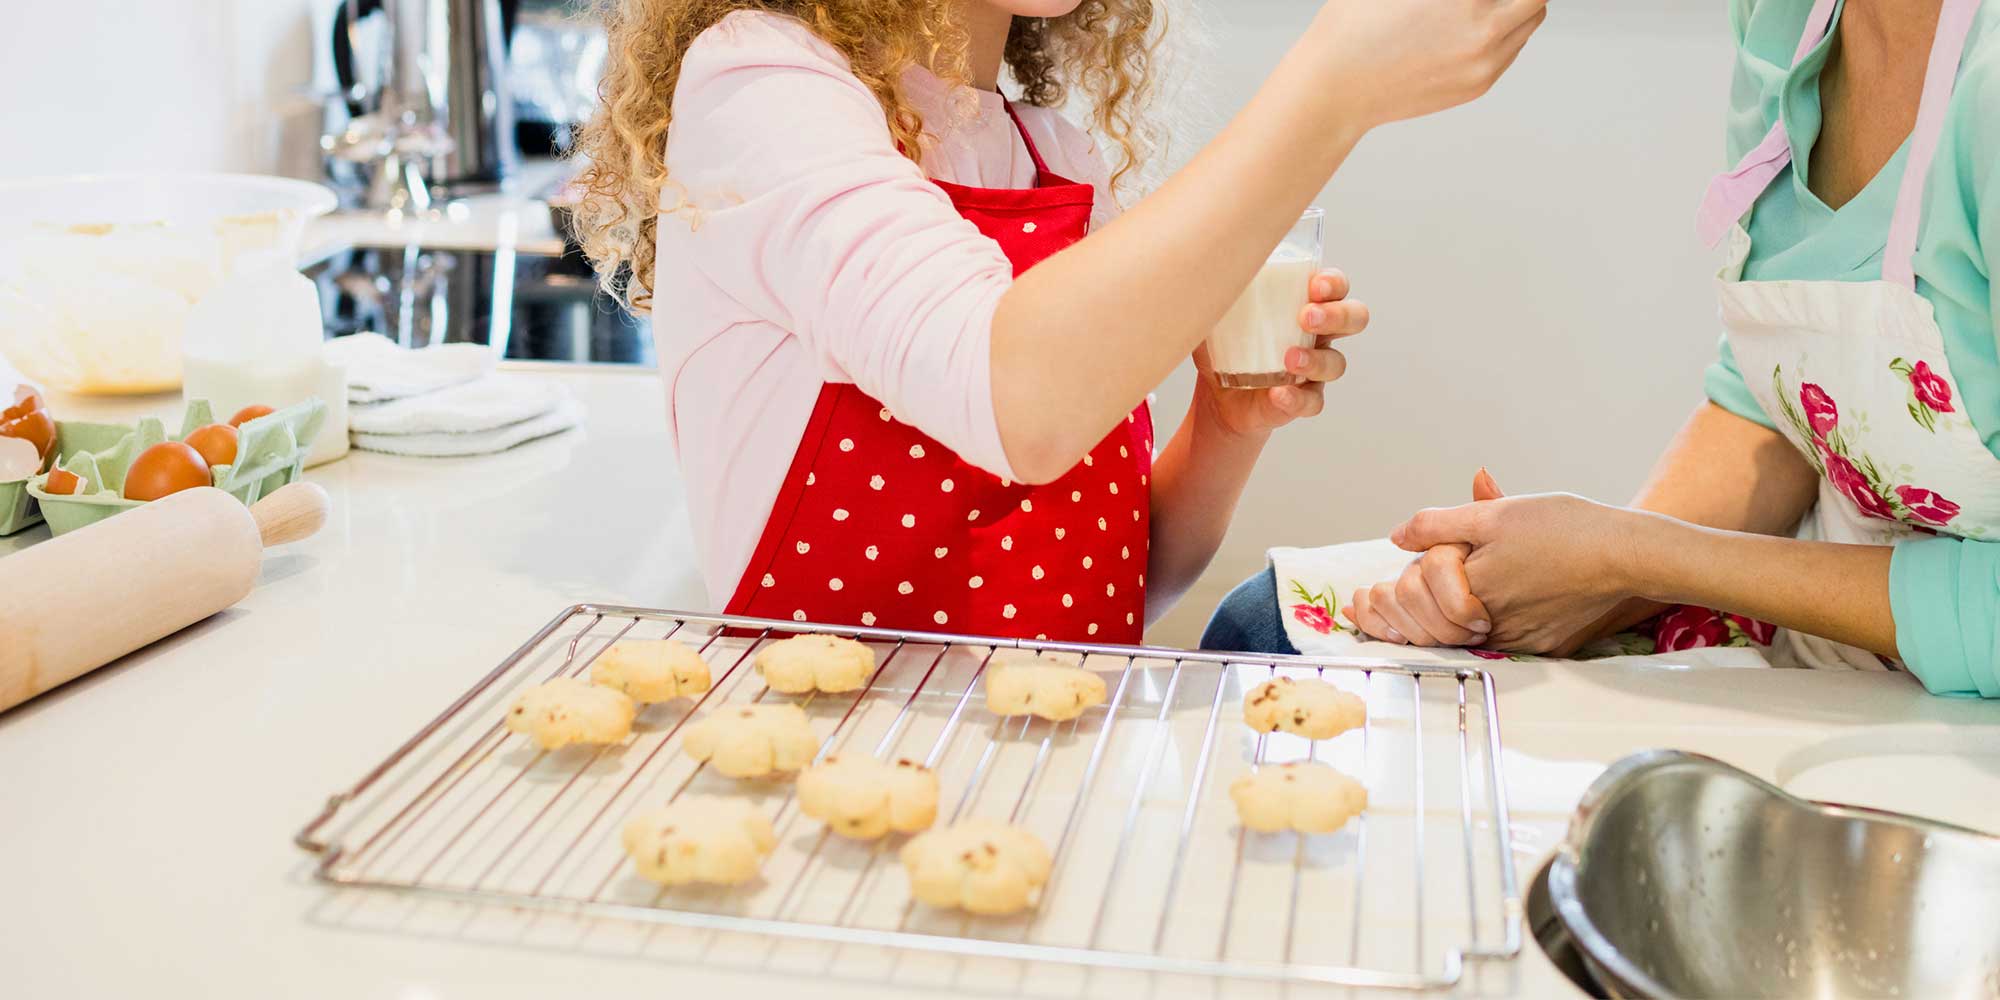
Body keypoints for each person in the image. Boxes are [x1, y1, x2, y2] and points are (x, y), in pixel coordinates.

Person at [569, 0, 1547, 642]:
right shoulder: (762, 86)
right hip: (817, 776)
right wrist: (1327, 91)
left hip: (1052, 765)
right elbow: (1016, 403)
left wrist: (1221, 427)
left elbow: (1122, 573)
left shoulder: (1059, 160)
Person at [1214, 0, 2000, 698]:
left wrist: (1628, 559)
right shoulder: (1787, 23)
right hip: (1822, 646)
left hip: (1964, 698)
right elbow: (1785, 410)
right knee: (1263, 627)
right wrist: (1577, 585)